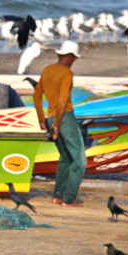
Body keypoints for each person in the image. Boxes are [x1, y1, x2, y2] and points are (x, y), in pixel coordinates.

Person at [33, 41, 86, 207]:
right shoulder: (67, 73)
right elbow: (63, 99)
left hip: (50, 118)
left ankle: (57, 196)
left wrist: (43, 120)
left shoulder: (47, 70)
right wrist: (57, 124)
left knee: (65, 158)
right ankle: (68, 200)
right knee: (80, 160)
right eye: (73, 58)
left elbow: (36, 96)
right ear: (70, 58)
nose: (73, 62)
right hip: (64, 118)